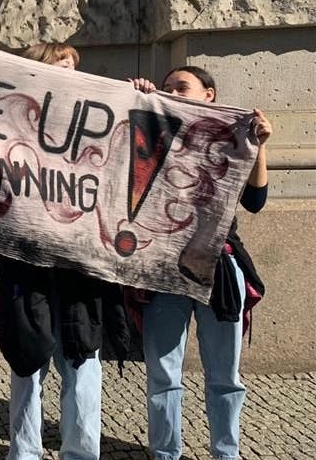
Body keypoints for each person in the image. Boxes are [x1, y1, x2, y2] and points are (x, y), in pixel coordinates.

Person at [132, 66, 273, 460]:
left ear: (209, 94)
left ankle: (226, 454)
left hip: (219, 270)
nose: (173, 91)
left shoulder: (231, 135)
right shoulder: (154, 129)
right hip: (164, 267)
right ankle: (165, 454)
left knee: (225, 376)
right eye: (167, 88)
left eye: (182, 86)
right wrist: (139, 100)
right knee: (163, 374)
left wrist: (259, 145)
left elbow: (255, 202)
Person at [0, 42, 129, 460]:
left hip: (79, 270)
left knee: (82, 363)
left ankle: (81, 452)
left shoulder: (96, 125)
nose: (71, 72)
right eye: (61, 65)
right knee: (27, 364)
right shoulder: (9, 127)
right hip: (28, 266)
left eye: (75, 67)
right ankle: (24, 452)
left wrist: (136, 95)